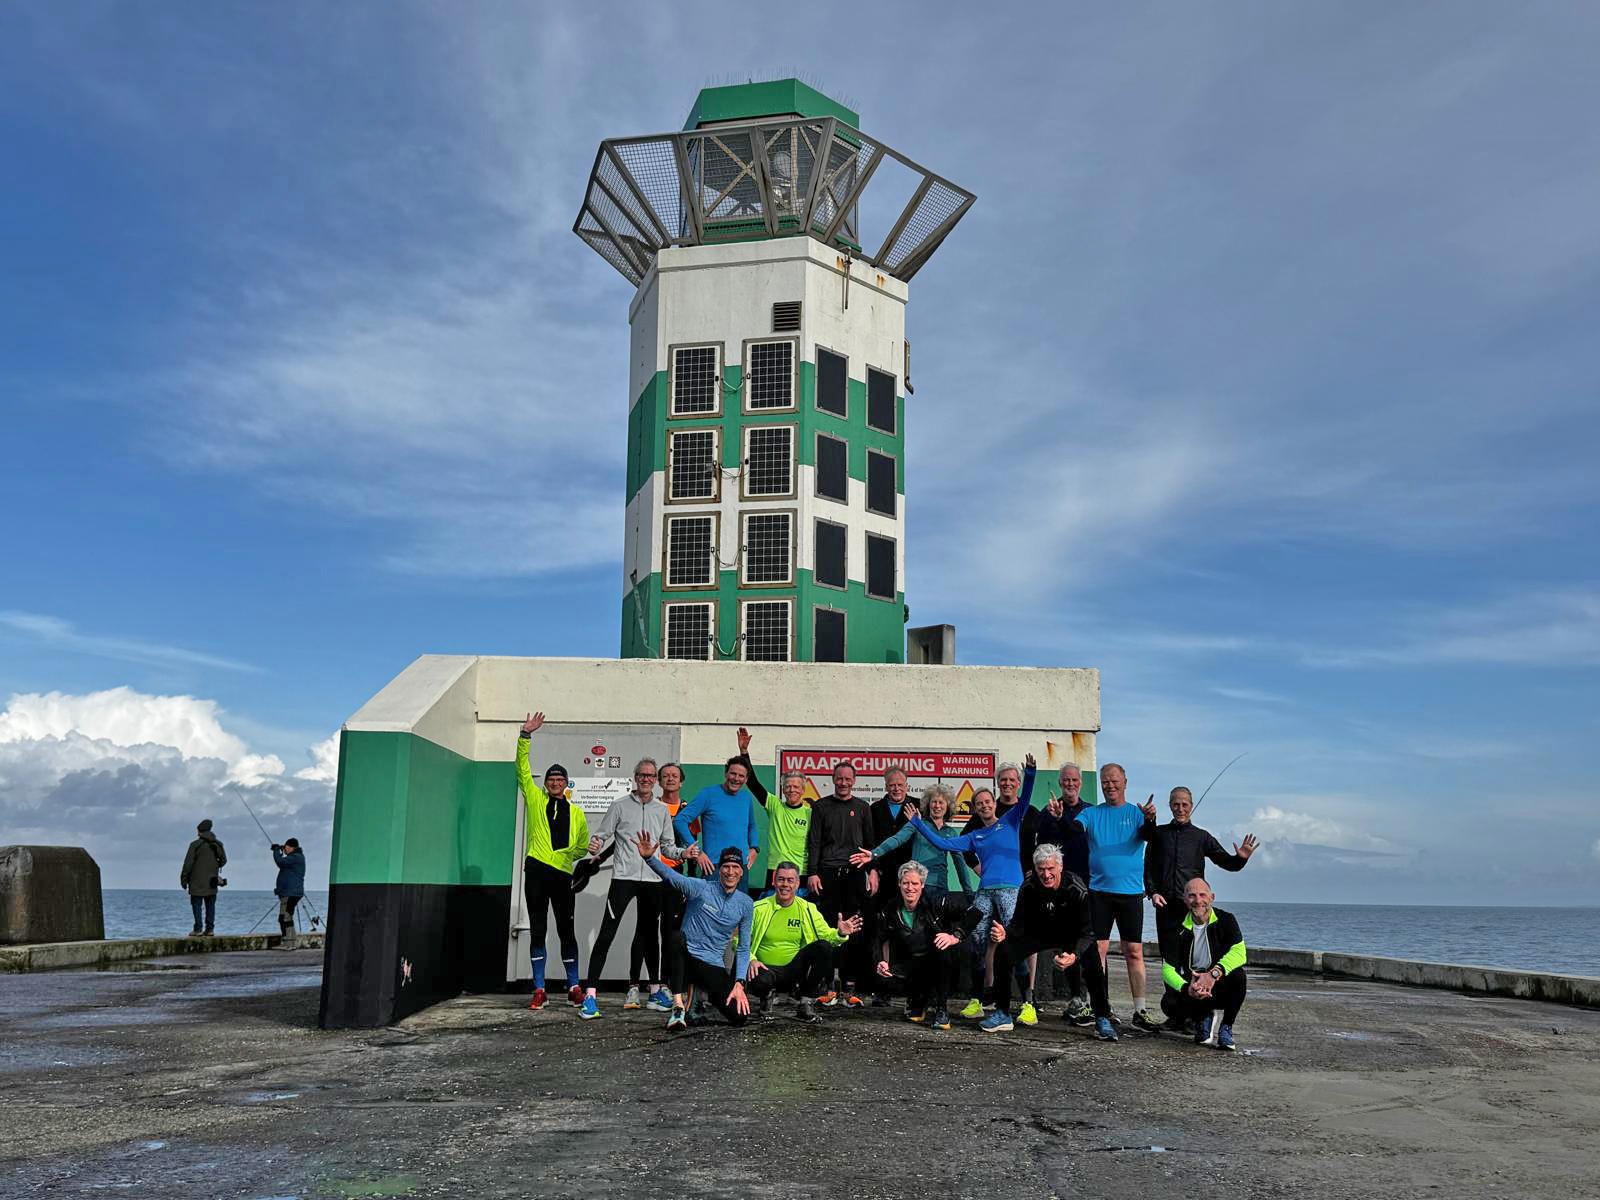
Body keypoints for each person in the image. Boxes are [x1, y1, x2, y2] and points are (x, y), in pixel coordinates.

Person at [905, 754, 1037, 1022]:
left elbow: (1024, 798)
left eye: (987, 801)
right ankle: (977, 1000)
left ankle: (1027, 1004)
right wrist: (917, 823)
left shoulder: (1011, 820)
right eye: (979, 804)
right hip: (985, 892)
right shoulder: (974, 836)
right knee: (977, 942)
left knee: (1014, 943)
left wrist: (1031, 773)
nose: (984, 806)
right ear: (975, 809)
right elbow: (944, 844)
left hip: (1010, 890)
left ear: (994, 804)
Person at [576, 758, 684, 1019]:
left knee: (650, 937)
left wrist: (684, 853)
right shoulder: (619, 805)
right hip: (623, 879)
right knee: (607, 933)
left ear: (655, 781)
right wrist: (594, 845)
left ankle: (655, 992)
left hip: (653, 880)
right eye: (642, 775)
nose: (646, 779)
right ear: (635, 778)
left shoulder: (661, 810)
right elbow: (602, 835)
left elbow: (668, 847)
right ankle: (590, 996)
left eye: (650, 775)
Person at [981, 845, 1117, 1041]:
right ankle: (1002, 1013)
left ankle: (1102, 1017)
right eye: (1041, 869)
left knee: (1093, 960)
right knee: (1004, 950)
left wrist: (1074, 955)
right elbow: (1018, 925)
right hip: (1039, 933)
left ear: (1060, 867)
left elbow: (1088, 932)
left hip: (1070, 934)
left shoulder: (1076, 888)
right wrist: (1005, 933)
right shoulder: (1028, 886)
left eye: (1050, 868)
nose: (1046, 874)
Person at [636, 830, 754, 1030]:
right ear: (719, 869)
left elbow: (743, 947)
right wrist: (649, 859)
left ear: (741, 871)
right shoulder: (702, 888)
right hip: (686, 959)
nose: (730, 872)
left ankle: (702, 995)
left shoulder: (746, 903)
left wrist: (739, 983)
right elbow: (672, 876)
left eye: (735, 867)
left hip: (712, 964)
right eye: (726, 866)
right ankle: (678, 1007)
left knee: (739, 1017)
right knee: (676, 938)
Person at [1073, 762, 1160, 1030]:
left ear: (1125, 782)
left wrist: (1151, 819)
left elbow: (1149, 836)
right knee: (1097, 950)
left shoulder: (1136, 813)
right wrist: (1059, 817)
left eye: (1114, 780)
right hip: (1099, 892)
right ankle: (1097, 1007)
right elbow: (1074, 829)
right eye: (1105, 782)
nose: (1109, 785)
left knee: (1133, 951)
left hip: (1131, 894)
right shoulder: (1091, 813)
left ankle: (1140, 1011)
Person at [515, 711, 591, 1011]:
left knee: (566, 931)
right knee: (538, 930)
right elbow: (522, 769)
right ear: (545, 783)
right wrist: (525, 736)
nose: (555, 782)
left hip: (562, 875)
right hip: (536, 870)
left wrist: (566, 856)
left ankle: (573, 987)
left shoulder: (577, 813)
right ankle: (539, 989)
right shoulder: (535, 799)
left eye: (560, 779)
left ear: (566, 784)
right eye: (551, 779)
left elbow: (582, 846)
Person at [745, 862, 862, 1023]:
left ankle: (805, 1003)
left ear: (798, 883)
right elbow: (738, 940)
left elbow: (827, 936)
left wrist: (840, 933)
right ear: (773, 881)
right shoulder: (757, 908)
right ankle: (766, 999)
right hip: (764, 970)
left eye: (790, 880)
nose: (785, 885)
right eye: (781, 879)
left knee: (824, 948)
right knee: (759, 977)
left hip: (793, 972)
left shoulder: (808, 908)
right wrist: (751, 959)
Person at [1146, 786, 1258, 947]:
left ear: (1191, 806)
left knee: (1194, 950)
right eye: (1176, 804)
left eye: (1185, 805)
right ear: (1170, 806)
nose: (1180, 809)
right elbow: (1148, 866)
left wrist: (1241, 858)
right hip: (1165, 904)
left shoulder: (1202, 837)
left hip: (1194, 903)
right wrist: (1153, 892)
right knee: (1168, 952)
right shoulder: (1159, 834)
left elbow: (1228, 863)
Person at [804, 762, 878, 1006]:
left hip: (855, 875)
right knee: (828, 928)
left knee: (854, 929)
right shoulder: (820, 806)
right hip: (827, 874)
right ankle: (827, 986)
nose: (843, 783)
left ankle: (848, 988)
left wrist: (873, 871)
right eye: (839, 778)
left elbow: (870, 844)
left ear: (854, 781)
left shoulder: (863, 808)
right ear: (833, 779)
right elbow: (814, 842)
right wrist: (812, 873)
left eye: (848, 779)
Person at [875, 861, 980, 1031]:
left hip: (939, 960)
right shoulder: (891, 908)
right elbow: (879, 937)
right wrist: (880, 961)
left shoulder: (936, 901)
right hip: (912, 961)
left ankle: (941, 1009)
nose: (910, 888)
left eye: (915, 883)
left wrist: (955, 936)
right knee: (891, 976)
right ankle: (919, 1000)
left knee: (942, 950)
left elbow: (974, 913)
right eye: (905, 883)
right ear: (899, 884)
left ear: (922, 885)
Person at [1159, 877, 1248, 1050]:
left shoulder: (1226, 920)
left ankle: (1226, 1027)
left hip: (1218, 981)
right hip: (1194, 984)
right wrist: (1187, 988)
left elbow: (1240, 953)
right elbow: (1167, 970)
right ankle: (1203, 1017)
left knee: (1239, 976)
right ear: (1185, 900)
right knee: (1168, 1003)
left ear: (1212, 898)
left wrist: (1214, 974)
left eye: (1202, 895)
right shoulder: (1175, 927)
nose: (1198, 900)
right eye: (1192, 896)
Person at [1035, 763, 1094, 1022]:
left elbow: (1088, 841)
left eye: (1074, 780)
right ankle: (1075, 998)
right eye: (1066, 780)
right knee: (1065, 942)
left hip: (1087, 887)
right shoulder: (1047, 812)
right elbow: (1039, 848)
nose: (1070, 784)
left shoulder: (1090, 811)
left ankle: (1093, 999)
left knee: (1089, 942)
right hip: (1058, 889)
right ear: (1060, 783)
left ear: (1080, 783)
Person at [851, 785, 976, 898]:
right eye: (934, 802)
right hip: (917, 886)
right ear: (928, 804)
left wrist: (969, 894)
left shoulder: (951, 832)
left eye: (941, 802)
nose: (937, 806)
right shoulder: (917, 824)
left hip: (940, 887)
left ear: (948, 806)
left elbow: (960, 865)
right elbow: (897, 839)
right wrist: (874, 853)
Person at [737, 727, 811, 890]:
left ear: (803, 790)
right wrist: (744, 752)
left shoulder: (810, 813)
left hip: (801, 872)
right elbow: (753, 783)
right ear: (783, 789)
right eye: (788, 786)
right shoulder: (774, 805)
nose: (792, 790)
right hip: (775, 869)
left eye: (796, 787)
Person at [673, 752, 762, 886]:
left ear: (746, 779)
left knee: (739, 901)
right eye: (733, 773)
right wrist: (698, 852)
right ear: (726, 773)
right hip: (713, 866)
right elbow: (680, 821)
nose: (736, 778)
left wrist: (754, 848)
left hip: (740, 866)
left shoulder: (746, 798)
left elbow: (752, 826)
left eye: (741, 776)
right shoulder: (708, 794)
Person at [180, 819, 227, 937]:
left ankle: (198, 929)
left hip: (196, 882)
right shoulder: (218, 844)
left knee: (196, 905)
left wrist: (183, 879)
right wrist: (215, 865)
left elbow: (188, 864)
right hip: (212, 881)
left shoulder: (195, 845)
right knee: (210, 906)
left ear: (200, 831)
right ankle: (210, 929)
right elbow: (223, 861)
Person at [269, 837, 305, 950]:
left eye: (286, 847)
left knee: (285, 917)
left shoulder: (295, 857)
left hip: (290, 893)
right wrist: (280, 850)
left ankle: (289, 943)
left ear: (291, 847)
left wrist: (276, 850)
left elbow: (280, 861)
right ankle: (289, 942)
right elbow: (283, 862)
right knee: (285, 916)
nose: (285, 849)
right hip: (289, 892)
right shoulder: (295, 858)